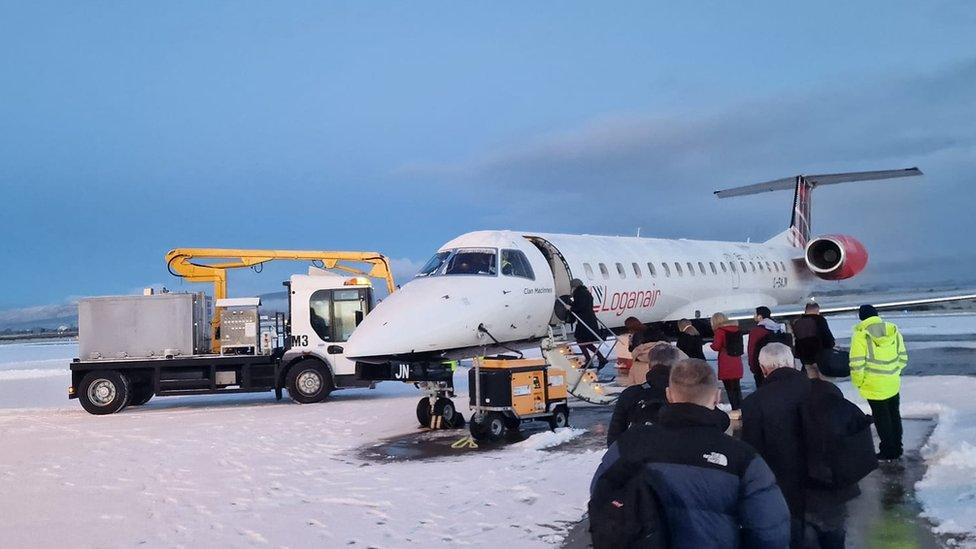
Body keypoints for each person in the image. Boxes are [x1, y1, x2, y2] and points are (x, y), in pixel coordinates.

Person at [591, 358, 791, 548]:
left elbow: (599, 495)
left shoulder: (629, 444)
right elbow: (771, 531)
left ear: (669, 395)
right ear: (717, 396)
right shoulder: (741, 457)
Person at [741, 342, 811, 547]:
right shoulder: (821, 389)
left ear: (763, 369)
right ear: (792, 363)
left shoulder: (755, 402)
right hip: (825, 484)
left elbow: (752, 452)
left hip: (783, 483)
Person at [802, 362, 861, 549]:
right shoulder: (840, 404)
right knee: (834, 536)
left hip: (809, 491)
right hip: (836, 489)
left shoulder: (799, 404)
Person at [850, 304, 908, 460]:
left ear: (862, 318)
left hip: (873, 385)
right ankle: (897, 447)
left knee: (882, 419)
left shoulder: (861, 335)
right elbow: (903, 357)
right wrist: (894, 372)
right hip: (892, 382)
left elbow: (857, 364)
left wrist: (859, 382)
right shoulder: (893, 331)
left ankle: (888, 450)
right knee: (894, 415)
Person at [606, 344, 685, 446]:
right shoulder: (684, 394)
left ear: (649, 366)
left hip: (638, 455)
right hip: (676, 456)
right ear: (676, 366)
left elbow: (614, 439)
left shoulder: (631, 394)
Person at [567, 279, 608, 369]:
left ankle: (590, 360)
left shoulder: (579, 293)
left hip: (584, 321)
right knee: (586, 342)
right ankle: (600, 358)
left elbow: (579, 307)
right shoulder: (586, 293)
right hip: (590, 319)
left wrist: (570, 307)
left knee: (580, 340)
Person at [709, 312, 744, 416]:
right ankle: (741, 408)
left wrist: (711, 345)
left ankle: (735, 409)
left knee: (730, 389)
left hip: (726, 361)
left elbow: (716, 346)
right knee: (737, 387)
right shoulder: (736, 329)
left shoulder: (720, 331)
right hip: (736, 360)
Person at [748, 306, 789, 386]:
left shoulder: (756, 331)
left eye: (755, 314)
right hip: (780, 365)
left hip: (763, 367)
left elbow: (751, 350)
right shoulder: (777, 328)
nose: (754, 316)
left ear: (760, 316)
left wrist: (753, 367)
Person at [792, 302, 836, 367]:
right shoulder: (819, 320)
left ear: (806, 310)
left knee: (810, 374)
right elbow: (827, 337)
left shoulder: (797, 322)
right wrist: (832, 346)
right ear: (817, 310)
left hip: (804, 357)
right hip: (820, 355)